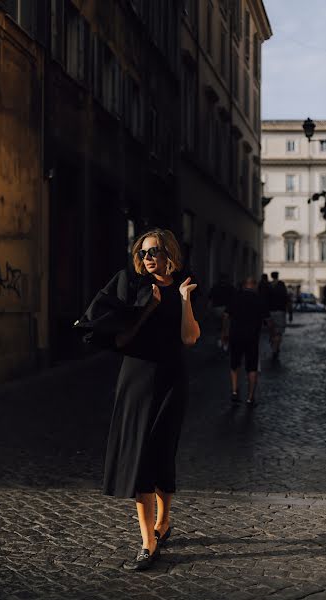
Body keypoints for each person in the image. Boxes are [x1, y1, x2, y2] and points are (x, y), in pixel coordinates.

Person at [74, 228, 200, 571]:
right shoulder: (134, 287)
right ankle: (148, 542)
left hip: (173, 379)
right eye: (143, 252)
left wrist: (185, 300)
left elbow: (189, 339)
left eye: (154, 251)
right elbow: (120, 340)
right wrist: (148, 308)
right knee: (140, 456)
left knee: (163, 451)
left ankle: (164, 521)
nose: (148, 257)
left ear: (169, 253)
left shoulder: (183, 286)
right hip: (137, 379)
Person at [221, 276, 275, 406]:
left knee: (235, 364)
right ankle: (250, 398)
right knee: (252, 367)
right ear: (254, 285)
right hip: (252, 337)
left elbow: (226, 316)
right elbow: (268, 320)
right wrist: (272, 334)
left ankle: (234, 390)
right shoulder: (260, 299)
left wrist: (224, 333)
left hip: (235, 335)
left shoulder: (235, 297)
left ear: (244, 285)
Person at [268, 271, 289, 360]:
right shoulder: (281, 285)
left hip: (269, 312)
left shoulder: (268, 286)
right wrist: (289, 311)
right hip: (280, 311)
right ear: (278, 276)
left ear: (271, 276)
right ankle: (275, 349)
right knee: (278, 332)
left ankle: (274, 347)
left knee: (272, 332)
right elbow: (286, 298)